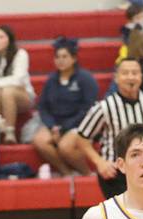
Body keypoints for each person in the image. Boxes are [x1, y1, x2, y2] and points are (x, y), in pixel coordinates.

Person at [61, 58, 143, 199]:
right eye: (125, 73)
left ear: (141, 77)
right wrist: (100, 162)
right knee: (123, 217)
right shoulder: (105, 106)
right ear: (116, 78)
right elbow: (82, 138)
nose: (130, 77)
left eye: (134, 73)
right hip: (115, 172)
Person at [23, 38, 98, 179]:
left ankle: (87, 173)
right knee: (40, 141)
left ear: (74, 58)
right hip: (55, 123)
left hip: (78, 123)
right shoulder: (51, 80)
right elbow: (43, 106)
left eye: (65, 57)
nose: (60, 60)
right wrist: (52, 126)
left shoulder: (85, 79)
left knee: (65, 147)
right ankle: (66, 173)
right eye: (57, 57)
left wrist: (64, 127)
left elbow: (88, 108)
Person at [0, 25, 32, 144]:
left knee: (7, 91)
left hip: (21, 96)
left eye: (1, 37)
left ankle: (10, 132)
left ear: (9, 39)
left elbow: (18, 79)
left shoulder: (21, 54)